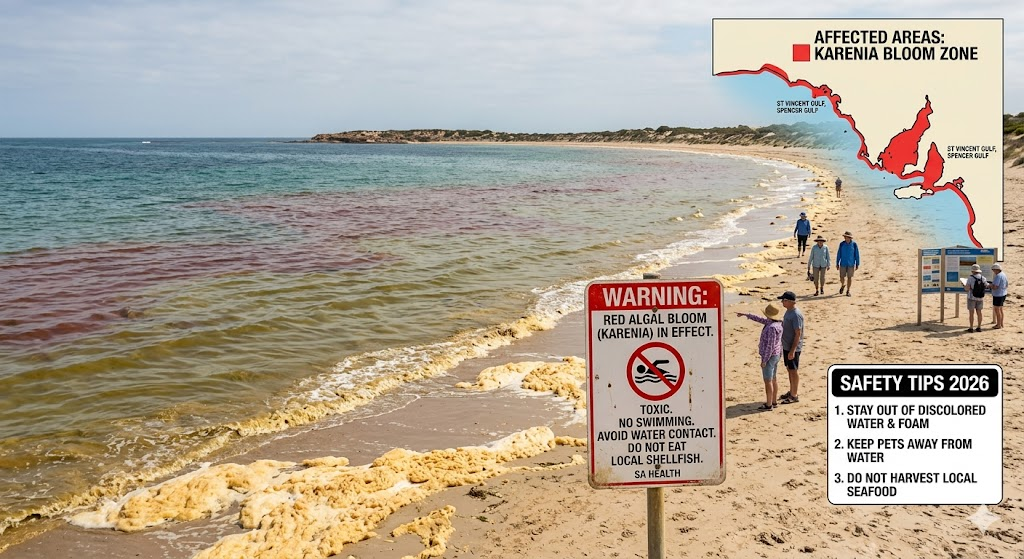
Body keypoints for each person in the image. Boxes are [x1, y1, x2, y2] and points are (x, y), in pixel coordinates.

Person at [736, 304, 783, 410]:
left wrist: (764, 360)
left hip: (770, 357)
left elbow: (770, 346)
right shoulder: (777, 323)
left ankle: (769, 404)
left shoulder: (771, 327)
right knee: (774, 379)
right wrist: (746, 314)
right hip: (776, 355)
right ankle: (774, 402)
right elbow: (759, 319)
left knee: (768, 381)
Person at [777, 291, 804, 404]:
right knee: (789, 369)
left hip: (793, 347)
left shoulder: (796, 314)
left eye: (784, 300)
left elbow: (798, 333)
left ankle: (794, 395)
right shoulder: (788, 311)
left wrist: (793, 350)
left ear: (790, 301)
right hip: (787, 346)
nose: (782, 302)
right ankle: (792, 390)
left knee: (793, 370)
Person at [964, 264, 988, 332]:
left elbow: (967, 288)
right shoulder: (983, 278)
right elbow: (986, 285)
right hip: (980, 297)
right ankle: (979, 327)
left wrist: (964, 286)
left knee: (971, 313)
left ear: (973, 271)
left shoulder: (970, 278)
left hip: (971, 297)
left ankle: (971, 327)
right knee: (979, 312)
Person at [835, 231, 860, 296]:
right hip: (843, 263)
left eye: (848, 237)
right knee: (841, 277)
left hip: (851, 264)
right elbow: (839, 254)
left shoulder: (854, 244)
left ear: (850, 238)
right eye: (845, 237)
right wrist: (837, 263)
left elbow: (856, 254)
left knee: (850, 277)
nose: (847, 238)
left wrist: (857, 263)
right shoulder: (842, 244)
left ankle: (848, 290)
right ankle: (843, 285)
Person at [990, 263, 1008, 329]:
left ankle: (998, 324)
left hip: (998, 295)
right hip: (1003, 293)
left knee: (997, 310)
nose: (993, 272)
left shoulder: (998, 276)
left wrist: (990, 286)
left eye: (994, 270)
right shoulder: (1004, 274)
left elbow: (995, 287)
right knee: (1000, 309)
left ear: (997, 270)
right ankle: (1001, 323)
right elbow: (1006, 284)